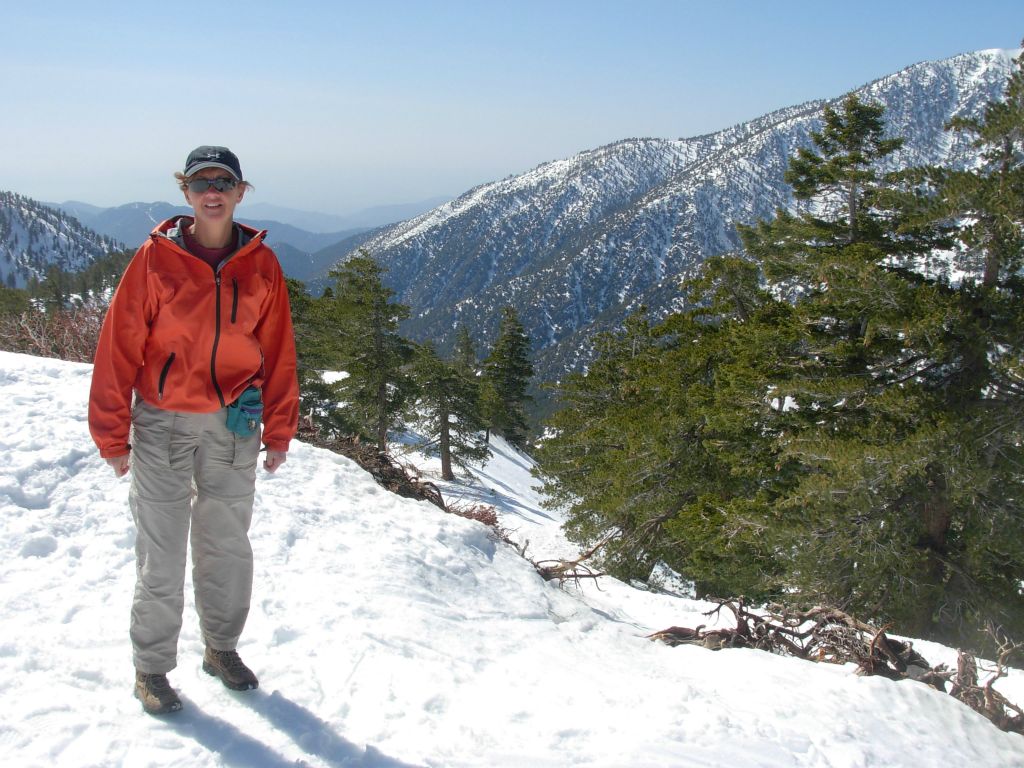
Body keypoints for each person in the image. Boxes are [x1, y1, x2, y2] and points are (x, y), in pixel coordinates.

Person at [88, 146, 299, 715]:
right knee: (161, 549)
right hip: (162, 422)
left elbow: (278, 352)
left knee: (227, 545)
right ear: (185, 192)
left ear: (240, 192)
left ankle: (221, 648)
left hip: (234, 425)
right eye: (201, 181)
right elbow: (118, 347)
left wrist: (280, 430)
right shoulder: (154, 261)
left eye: (223, 181)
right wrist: (112, 435)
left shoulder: (262, 265)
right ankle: (152, 666)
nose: (213, 190)